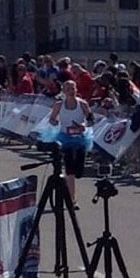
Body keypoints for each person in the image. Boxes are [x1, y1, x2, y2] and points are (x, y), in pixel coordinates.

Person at [48, 80, 94, 208]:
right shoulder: (58, 104)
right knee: (70, 170)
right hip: (65, 138)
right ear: (63, 91)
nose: (70, 91)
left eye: (72, 88)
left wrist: (83, 125)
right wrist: (54, 122)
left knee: (79, 171)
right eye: (67, 89)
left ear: (76, 89)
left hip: (80, 138)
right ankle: (72, 200)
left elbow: (91, 120)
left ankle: (66, 186)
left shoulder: (83, 104)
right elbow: (52, 119)